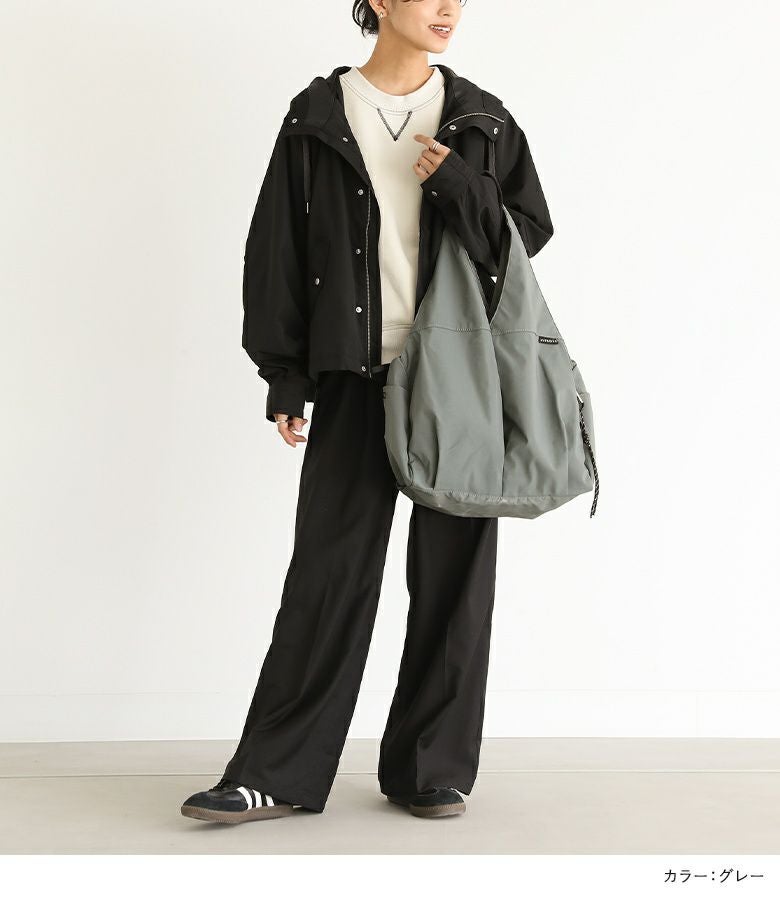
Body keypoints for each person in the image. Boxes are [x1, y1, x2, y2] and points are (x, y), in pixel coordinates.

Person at [181, 0, 553, 824]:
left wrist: (460, 186)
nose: (449, 7)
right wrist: (284, 375)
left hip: (458, 379)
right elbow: (275, 248)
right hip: (353, 373)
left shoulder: (481, 118)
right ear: (380, 0)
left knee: (454, 582)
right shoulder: (318, 113)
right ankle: (275, 772)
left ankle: (432, 769)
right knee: (328, 574)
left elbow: (524, 239)